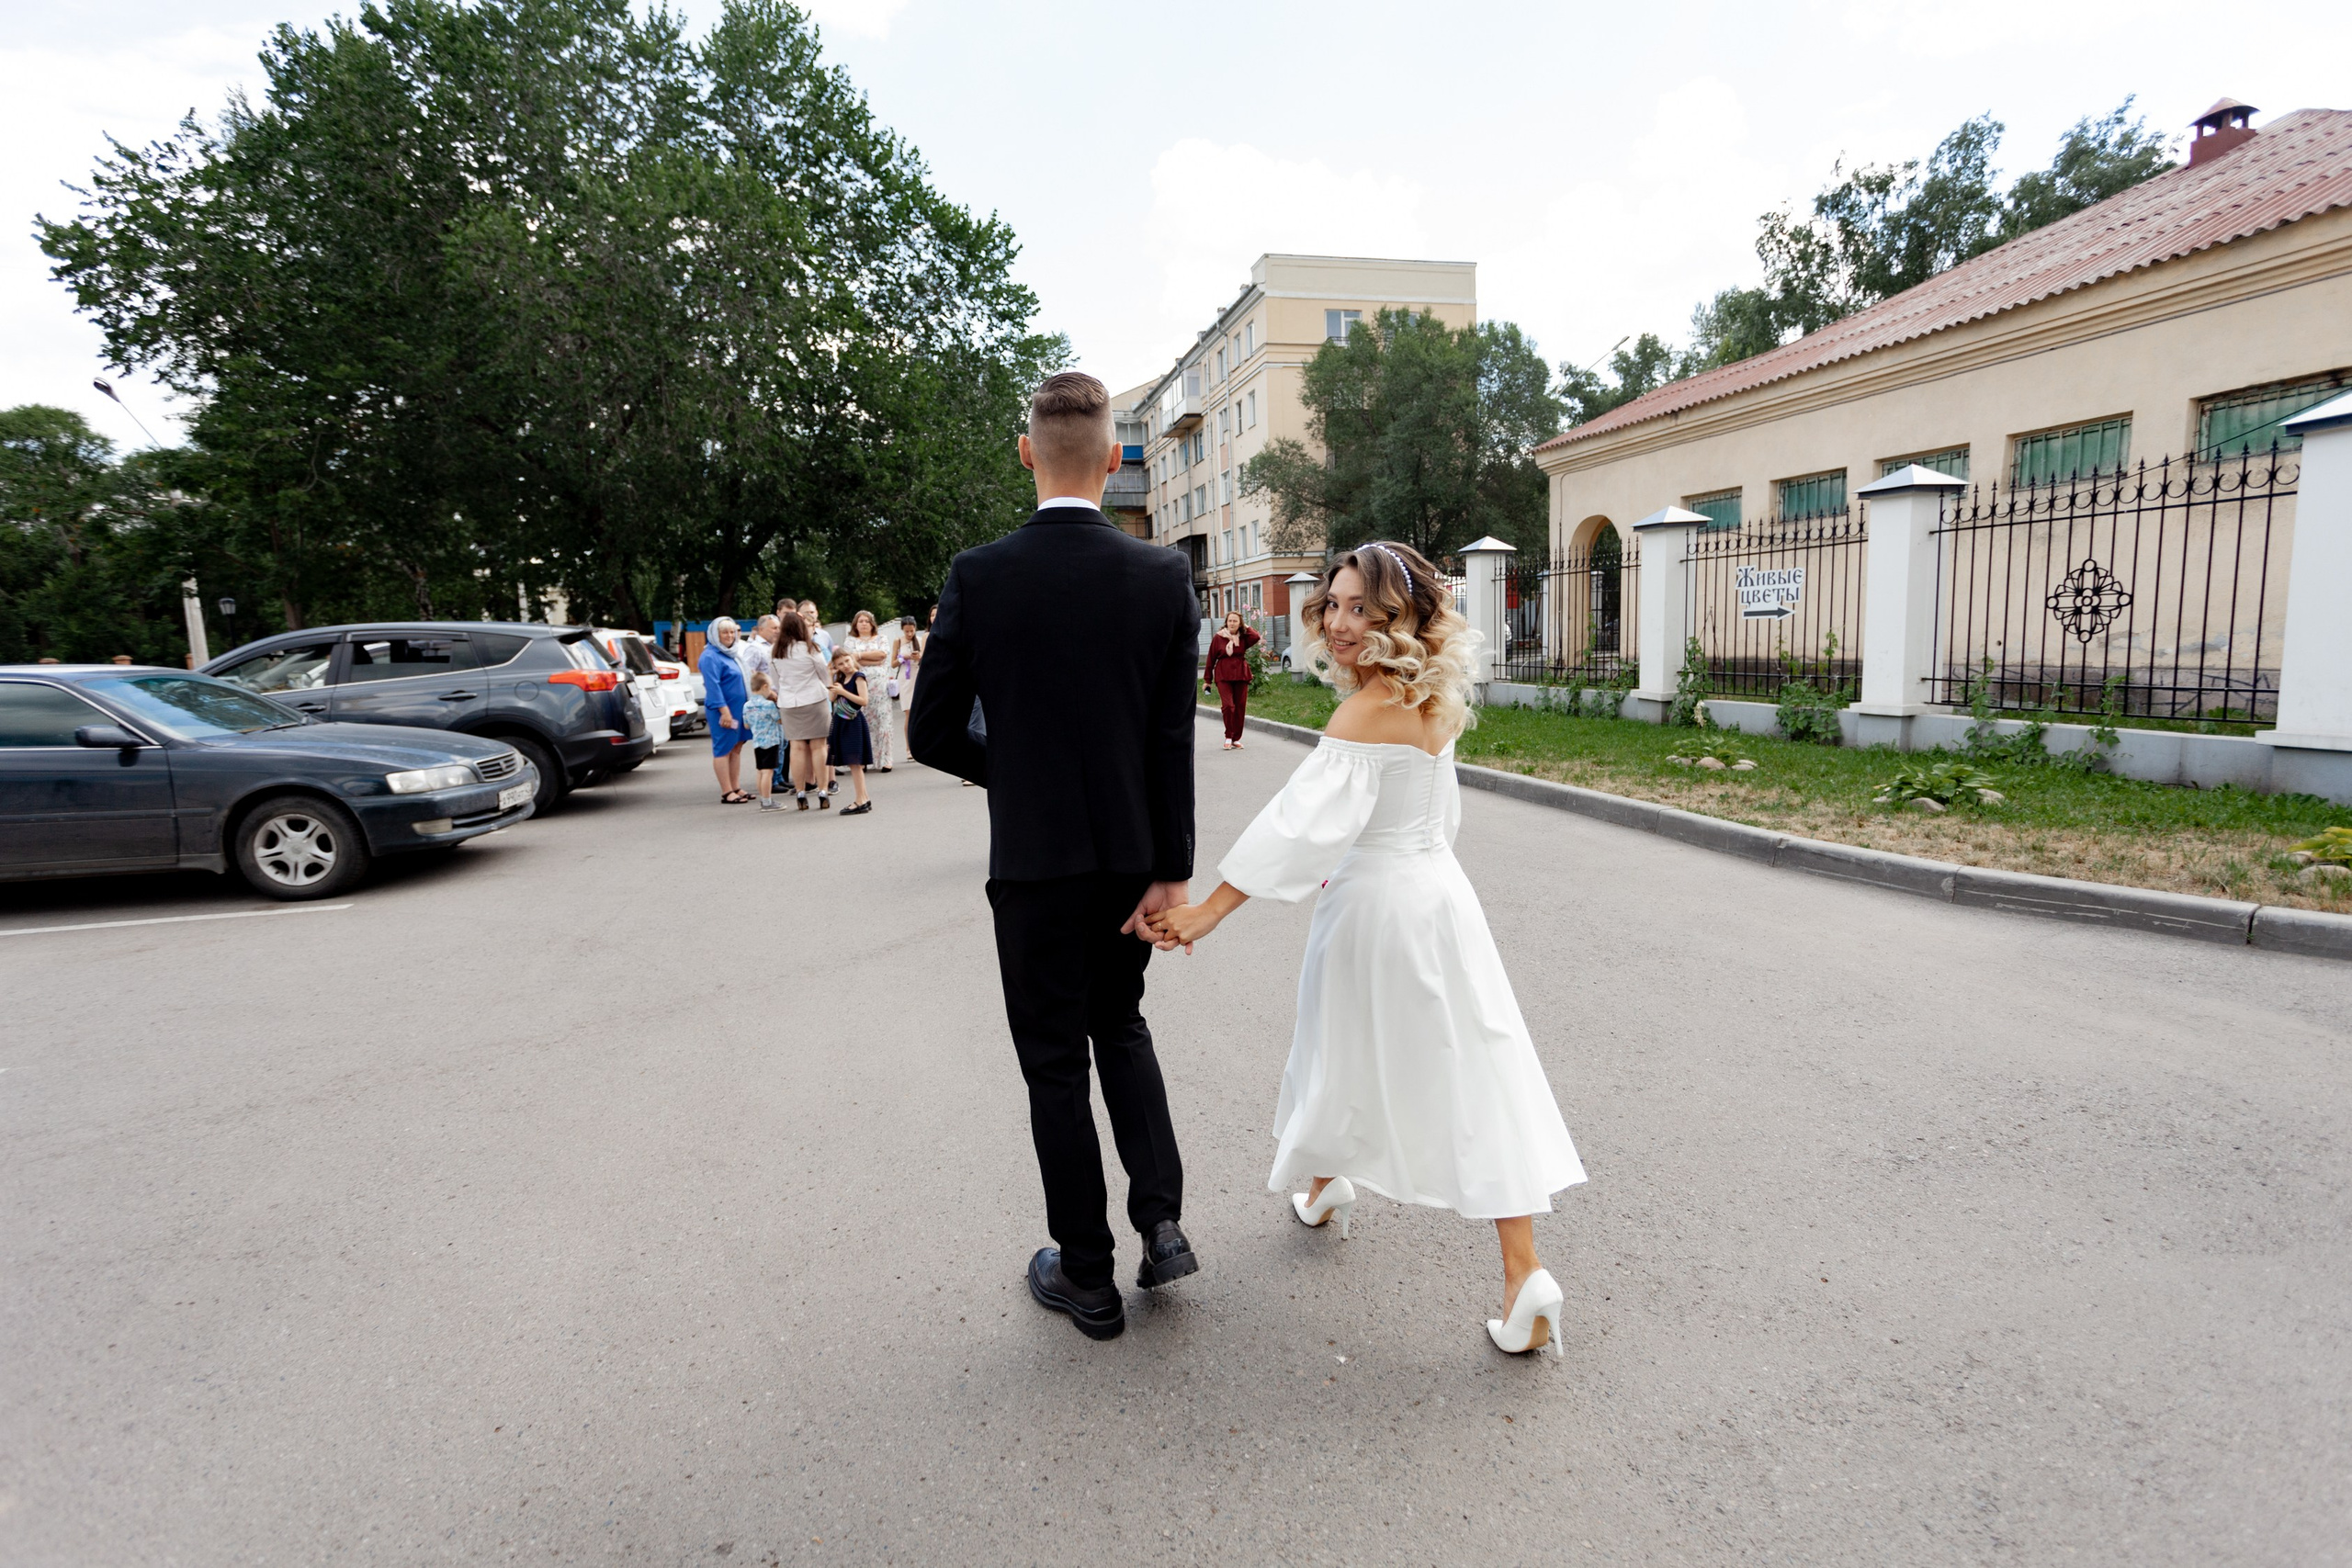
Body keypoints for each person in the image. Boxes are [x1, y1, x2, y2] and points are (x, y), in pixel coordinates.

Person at [1148, 541, 1586, 1359]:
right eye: (1335, 605)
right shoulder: (1436, 697)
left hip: (1376, 905)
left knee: (1336, 1044)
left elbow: (1299, 826)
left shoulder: (1363, 712)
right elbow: (1435, 816)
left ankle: (1332, 1187)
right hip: (1443, 896)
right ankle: (1513, 1266)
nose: (1341, 624)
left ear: (1402, 619)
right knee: (1477, 1065)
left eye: (1363, 610)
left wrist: (1210, 906)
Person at [910, 370, 1200, 1343]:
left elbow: (932, 731)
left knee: (1051, 1066)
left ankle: (1086, 1275)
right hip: (1130, 860)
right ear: (1114, 458)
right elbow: (1170, 741)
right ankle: (1159, 1222)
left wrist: (1020, 777)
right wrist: (1175, 867)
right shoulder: (1162, 577)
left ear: (1026, 453)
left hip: (1034, 864)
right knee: (1120, 1025)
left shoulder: (979, 575)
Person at [771, 609, 832, 810]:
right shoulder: (810, 648)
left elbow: (775, 681)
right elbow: (824, 674)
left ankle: (800, 791)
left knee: (796, 748)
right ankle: (822, 789)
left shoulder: (775, 651)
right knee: (819, 747)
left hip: (789, 702)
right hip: (814, 700)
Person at [699, 616, 753, 804]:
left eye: (732, 632)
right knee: (723, 748)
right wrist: (724, 712)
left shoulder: (732, 653)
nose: (729, 636)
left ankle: (736, 787)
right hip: (723, 711)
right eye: (725, 632)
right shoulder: (710, 656)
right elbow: (713, 686)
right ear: (715, 634)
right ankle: (726, 791)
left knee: (736, 747)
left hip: (739, 710)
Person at [842, 610, 896, 772]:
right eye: (860, 621)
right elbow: (850, 661)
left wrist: (859, 655)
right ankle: (864, 759)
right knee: (862, 721)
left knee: (883, 720)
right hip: (860, 685)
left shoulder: (882, 638)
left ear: (872, 624)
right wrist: (868, 659)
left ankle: (886, 759)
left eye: (867, 621)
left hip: (880, 686)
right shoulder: (850, 641)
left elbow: (882, 655)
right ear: (855, 624)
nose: (864, 624)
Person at [825, 647, 876, 815]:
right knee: (853, 764)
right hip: (842, 722)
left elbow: (863, 701)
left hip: (853, 722)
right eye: (840, 664)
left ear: (852, 659)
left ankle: (860, 800)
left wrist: (843, 692)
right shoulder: (840, 678)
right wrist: (831, 678)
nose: (845, 665)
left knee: (855, 763)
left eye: (847, 661)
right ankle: (864, 797)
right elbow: (832, 698)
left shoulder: (858, 677)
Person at [1203, 610, 1261, 750]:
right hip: (1223, 675)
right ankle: (1229, 735)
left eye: (1235, 621)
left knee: (1240, 707)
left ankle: (1236, 739)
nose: (1232, 623)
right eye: (1230, 621)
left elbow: (1256, 636)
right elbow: (1211, 659)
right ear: (1226, 623)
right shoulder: (1219, 637)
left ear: (1240, 623)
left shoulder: (1243, 637)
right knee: (1229, 706)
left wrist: (1245, 627)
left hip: (1241, 674)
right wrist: (1207, 680)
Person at [745, 671, 786, 810]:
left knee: (761, 771)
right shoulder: (768, 705)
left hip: (757, 742)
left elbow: (746, 724)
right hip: (771, 741)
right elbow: (780, 720)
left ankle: (763, 799)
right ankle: (767, 801)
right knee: (768, 772)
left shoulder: (747, 705)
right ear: (764, 687)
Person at [890, 615, 925, 757]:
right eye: (907, 631)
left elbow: (927, 659)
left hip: (918, 676)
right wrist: (902, 658)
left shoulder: (921, 640)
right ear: (902, 630)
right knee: (908, 713)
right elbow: (892, 663)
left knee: (922, 712)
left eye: (912, 631)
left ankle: (923, 745)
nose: (910, 634)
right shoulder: (898, 641)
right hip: (905, 679)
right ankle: (909, 747)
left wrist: (919, 657)